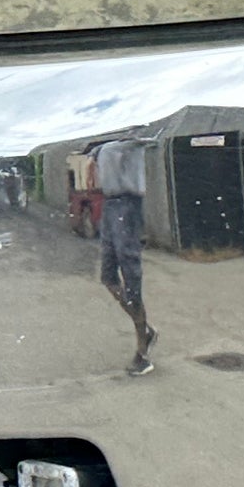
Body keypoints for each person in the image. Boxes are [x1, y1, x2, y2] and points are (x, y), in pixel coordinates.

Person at [91, 133, 155, 375]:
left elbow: (152, 140)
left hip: (128, 205)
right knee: (108, 277)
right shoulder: (104, 145)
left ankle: (143, 353)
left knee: (131, 275)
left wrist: (132, 138)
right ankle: (145, 329)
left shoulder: (135, 138)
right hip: (110, 205)